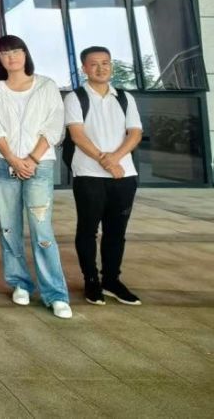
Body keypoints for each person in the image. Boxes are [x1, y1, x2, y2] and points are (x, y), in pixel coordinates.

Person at [0, 34, 71, 319]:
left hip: (39, 165)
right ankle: (20, 282)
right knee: (8, 227)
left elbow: (54, 125)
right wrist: (12, 159)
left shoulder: (46, 85)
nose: (11, 57)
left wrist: (31, 159)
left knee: (41, 229)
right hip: (4, 164)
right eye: (5, 53)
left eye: (16, 51)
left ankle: (55, 293)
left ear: (26, 54)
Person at [65, 46, 143, 306]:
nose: (101, 68)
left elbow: (135, 133)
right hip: (88, 175)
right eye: (94, 64)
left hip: (124, 175)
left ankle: (111, 280)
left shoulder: (125, 97)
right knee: (88, 230)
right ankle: (91, 280)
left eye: (106, 63)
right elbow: (77, 135)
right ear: (84, 68)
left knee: (116, 231)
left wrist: (115, 158)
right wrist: (105, 161)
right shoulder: (75, 98)